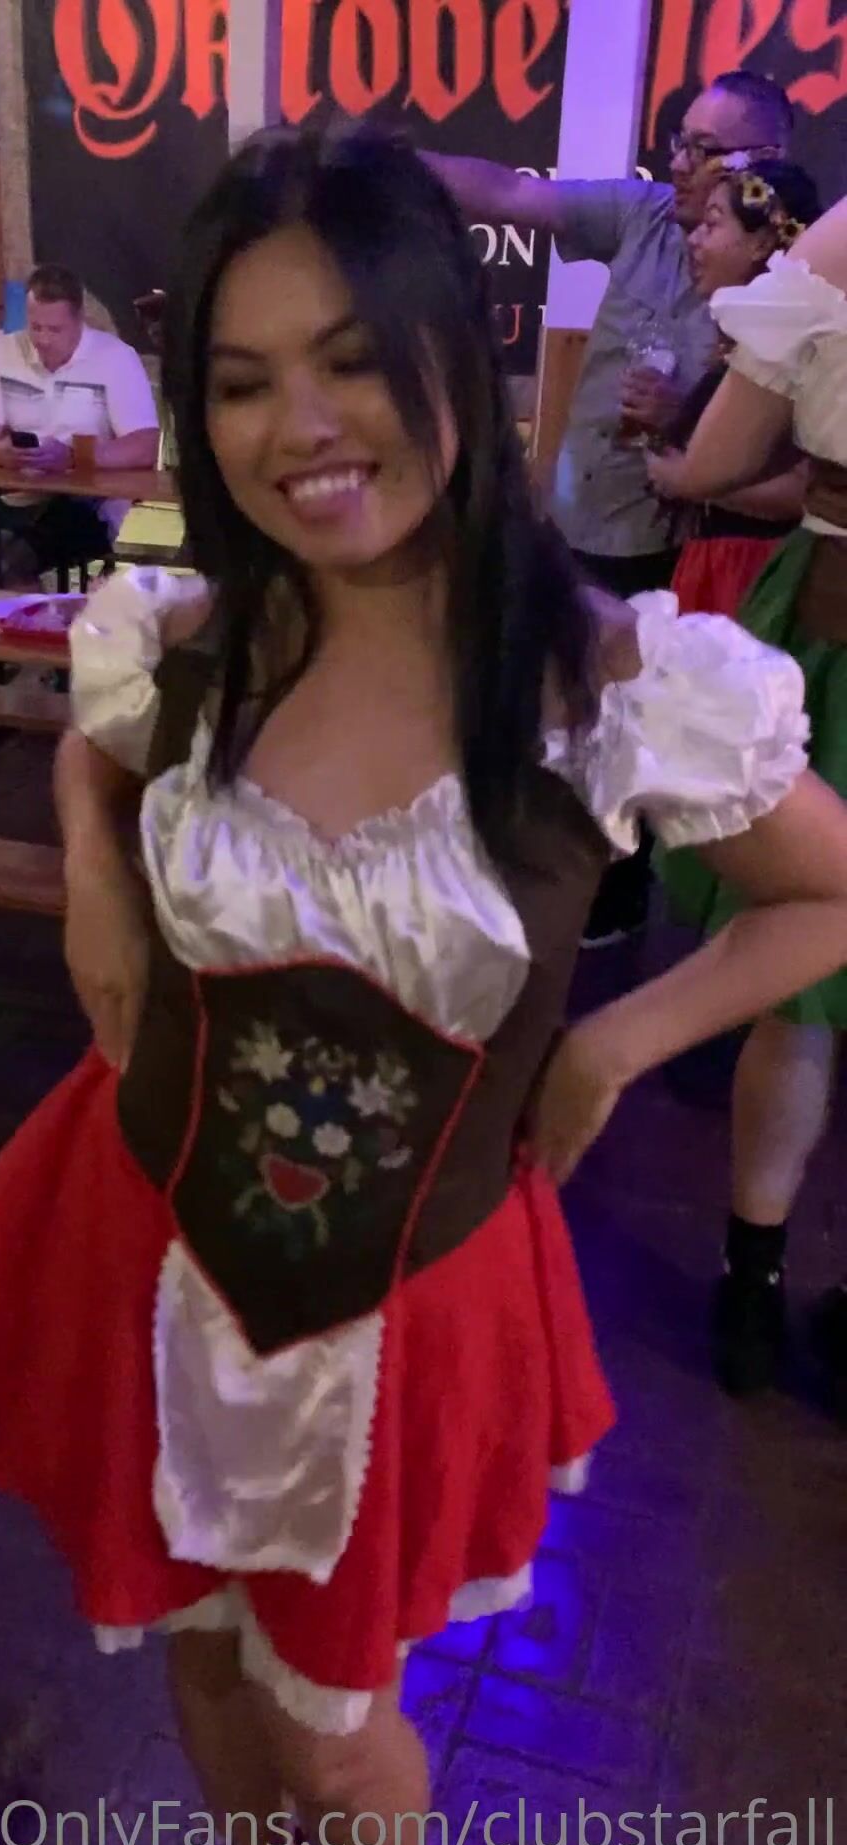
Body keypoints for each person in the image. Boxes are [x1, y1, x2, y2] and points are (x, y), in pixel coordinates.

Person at [0, 130, 847, 1845]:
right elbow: (100, 750)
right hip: (152, 1237)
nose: (301, 427)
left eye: (348, 359)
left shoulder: (607, 683)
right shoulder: (183, 638)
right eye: (243, 381)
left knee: (336, 1722)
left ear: (448, 360)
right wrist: (92, 862)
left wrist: (611, 1046)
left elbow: (830, 892)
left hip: (407, 1291)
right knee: (193, 1634)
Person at [428, 68, 794, 944]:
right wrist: (386, 163)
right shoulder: (642, 218)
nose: (680, 163)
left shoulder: (792, 282)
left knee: (634, 734)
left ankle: (616, 914)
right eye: (678, 142)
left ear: (765, 161)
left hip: (680, 549)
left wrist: (686, 441)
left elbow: (793, 451)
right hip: (578, 520)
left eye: (705, 149)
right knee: (550, 713)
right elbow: (510, 193)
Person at [639, 193, 847, 1419]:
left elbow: (715, 464)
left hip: (838, 624)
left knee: (798, 976)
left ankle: (753, 1292)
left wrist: (671, 460)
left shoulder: (837, 244)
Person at [650, 160, 820, 617]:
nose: (694, 240)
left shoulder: (787, 353)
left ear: (762, 242)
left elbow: (802, 493)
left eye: (712, 224)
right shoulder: (741, 346)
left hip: (751, 573)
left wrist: (688, 479)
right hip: (714, 564)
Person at [0, 264, 160, 583]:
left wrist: (72, 457)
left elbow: (144, 446)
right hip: (17, 493)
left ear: (80, 321)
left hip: (88, 504)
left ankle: (26, 611)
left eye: (54, 330)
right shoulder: (4, 351)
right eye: (35, 327)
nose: (42, 339)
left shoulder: (116, 357)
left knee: (14, 557)